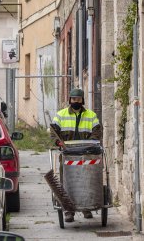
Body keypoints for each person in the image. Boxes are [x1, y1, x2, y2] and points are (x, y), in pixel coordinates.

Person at [51, 88, 102, 223]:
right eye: (74, 99)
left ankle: (86, 207)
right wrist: (58, 142)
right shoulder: (60, 115)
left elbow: (97, 131)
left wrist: (91, 142)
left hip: (86, 154)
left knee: (86, 180)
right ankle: (68, 211)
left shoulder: (91, 115)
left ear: (82, 100)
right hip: (68, 154)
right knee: (67, 182)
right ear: (70, 100)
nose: (76, 102)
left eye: (78, 99)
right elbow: (53, 132)